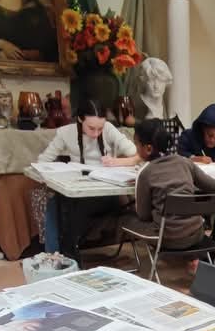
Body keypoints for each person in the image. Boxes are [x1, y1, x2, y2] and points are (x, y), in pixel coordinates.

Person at [36, 99, 138, 253]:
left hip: (105, 192)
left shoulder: (109, 129)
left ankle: (67, 255)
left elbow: (137, 155)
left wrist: (117, 162)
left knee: (71, 208)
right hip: (77, 189)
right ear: (79, 119)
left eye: (100, 128)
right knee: (54, 203)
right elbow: (43, 160)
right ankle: (53, 255)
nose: (96, 133)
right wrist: (49, 173)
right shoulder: (65, 133)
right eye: (91, 128)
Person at [121, 119, 215, 272]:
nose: (136, 149)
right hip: (197, 234)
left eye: (137, 144)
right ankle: (194, 258)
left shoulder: (145, 173)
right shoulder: (185, 162)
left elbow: (144, 215)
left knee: (124, 219)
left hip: (167, 239)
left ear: (148, 148)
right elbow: (213, 186)